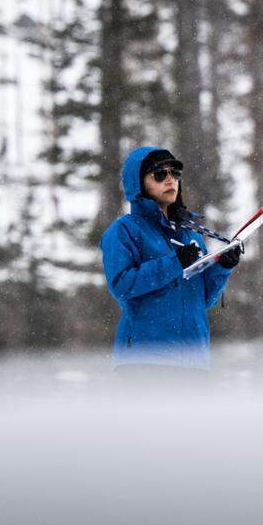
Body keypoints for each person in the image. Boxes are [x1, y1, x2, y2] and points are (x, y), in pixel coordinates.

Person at [100, 147, 241, 375]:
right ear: (138, 183)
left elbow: (203, 299)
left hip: (195, 360)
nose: (170, 180)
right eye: (159, 174)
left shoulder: (191, 235)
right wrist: (174, 263)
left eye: (174, 173)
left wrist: (222, 268)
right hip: (145, 360)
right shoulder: (123, 230)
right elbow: (122, 286)